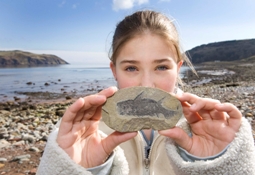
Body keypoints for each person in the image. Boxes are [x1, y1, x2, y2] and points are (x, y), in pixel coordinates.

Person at [37, 10, 255, 175]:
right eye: (131, 68)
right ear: (114, 70)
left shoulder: (212, 127)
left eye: (161, 67)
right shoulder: (82, 133)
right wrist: (79, 167)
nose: (147, 84)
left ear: (178, 68)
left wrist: (220, 161)